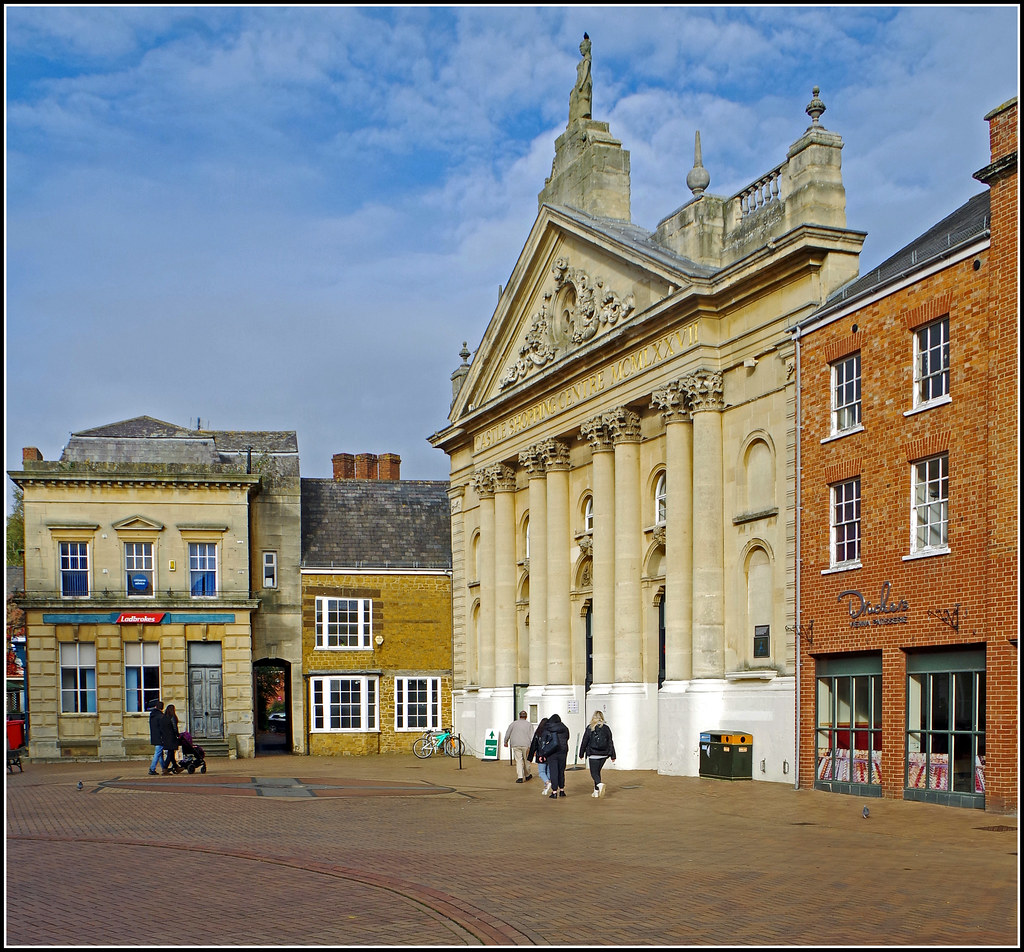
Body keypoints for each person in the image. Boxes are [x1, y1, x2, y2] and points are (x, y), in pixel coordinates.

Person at [579, 710, 616, 798]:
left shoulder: (590, 727)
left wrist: (581, 753)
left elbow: (584, 741)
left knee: (593, 773)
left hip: (593, 754)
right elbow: (610, 742)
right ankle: (596, 792)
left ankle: (599, 784)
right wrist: (613, 755)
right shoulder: (606, 728)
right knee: (597, 772)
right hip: (604, 754)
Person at [540, 713, 571, 798]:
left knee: (554, 771)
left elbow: (543, 741)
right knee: (561, 771)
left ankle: (554, 792)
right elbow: (567, 738)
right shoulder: (565, 728)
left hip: (552, 753)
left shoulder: (548, 728)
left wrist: (542, 753)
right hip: (563, 752)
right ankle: (562, 790)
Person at [503, 711, 534, 783]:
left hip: (515, 744)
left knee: (518, 760)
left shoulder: (513, 724)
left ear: (519, 716)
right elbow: (532, 736)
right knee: (527, 760)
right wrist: (533, 747)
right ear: (526, 716)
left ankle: (520, 777)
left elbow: (508, 733)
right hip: (526, 745)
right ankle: (527, 775)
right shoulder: (529, 724)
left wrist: (505, 742)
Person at [528, 716, 552, 796]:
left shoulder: (538, 732)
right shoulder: (551, 732)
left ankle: (547, 783)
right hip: (549, 754)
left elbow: (533, 745)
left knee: (541, 772)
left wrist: (530, 757)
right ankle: (546, 787)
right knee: (548, 771)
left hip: (540, 755)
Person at [160, 703, 181, 774]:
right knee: (170, 753)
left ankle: (176, 767)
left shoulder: (163, 717)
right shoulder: (172, 717)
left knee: (171, 753)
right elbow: (175, 727)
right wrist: (177, 734)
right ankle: (165, 768)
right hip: (171, 737)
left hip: (165, 737)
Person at [148, 699, 165, 775]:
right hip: (160, 737)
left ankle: (164, 768)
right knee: (157, 753)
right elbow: (162, 728)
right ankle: (152, 768)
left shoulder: (152, 715)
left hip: (154, 736)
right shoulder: (160, 716)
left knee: (160, 754)